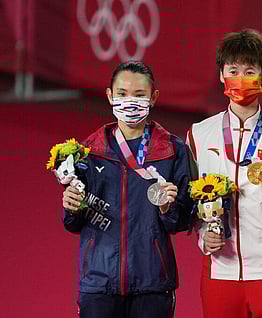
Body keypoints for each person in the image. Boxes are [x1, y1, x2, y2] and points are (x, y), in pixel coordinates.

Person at [186, 30, 262, 318]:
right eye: (233, 70)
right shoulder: (199, 135)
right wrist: (203, 236)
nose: (241, 78)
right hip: (219, 269)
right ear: (221, 75)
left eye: (250, 71)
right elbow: (191, 203)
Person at [61, 60, 194, 318]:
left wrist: (169, 208)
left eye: (139, 95)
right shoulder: (88, 151)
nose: (130, 101)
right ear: (110, 96)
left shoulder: (172, 150)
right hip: (99, 283)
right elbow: (72, 223)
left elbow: (182, 221)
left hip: (152, 283)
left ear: (153, 98)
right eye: (122, 94)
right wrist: (71, 207)